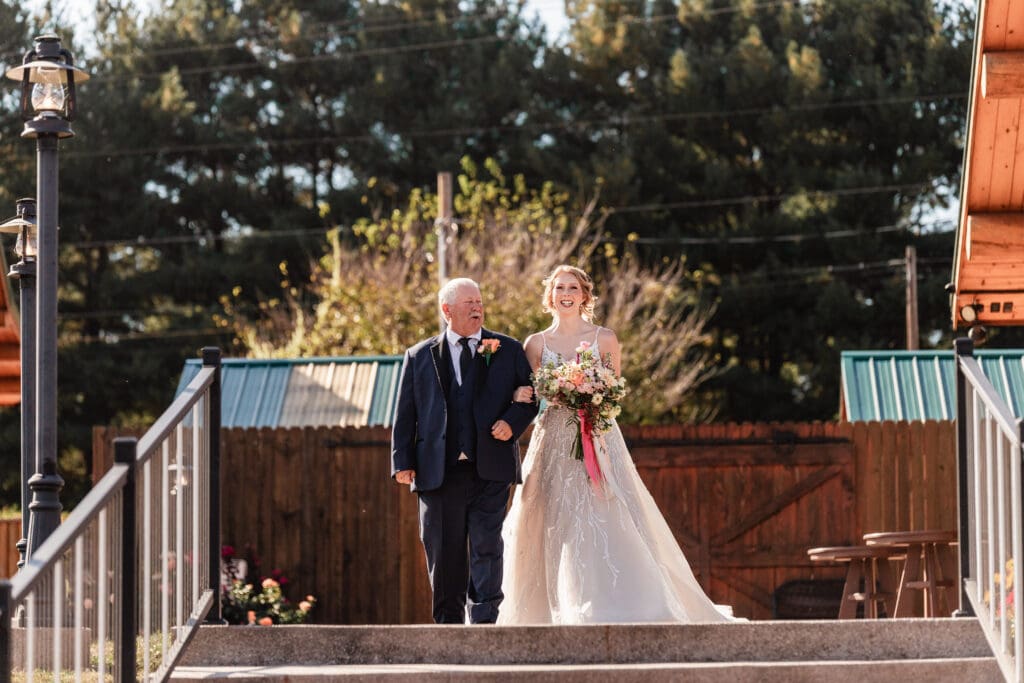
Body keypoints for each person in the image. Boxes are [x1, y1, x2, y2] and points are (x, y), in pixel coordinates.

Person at [497, 265, 735, 624]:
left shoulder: (604, 338)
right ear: (550, 295)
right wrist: (525, 391)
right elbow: (528, 395)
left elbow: (612, 388)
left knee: (607, 508)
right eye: (560, 287)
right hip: (554, 438)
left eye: (573, 287)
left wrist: (587, 393)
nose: (566, 293)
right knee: (549, 514)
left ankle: (623, 598)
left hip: (597, 433)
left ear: (584, 295)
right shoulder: (535, 343)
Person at [391, 277, 538, 624]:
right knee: (444, 553)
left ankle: (485, 623)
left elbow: (529, 396)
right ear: (447, 310)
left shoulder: (508, 348)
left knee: (487, 547)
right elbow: (405, 411)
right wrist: (402, 461)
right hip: (437, 471)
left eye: (479, 302)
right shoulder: (418, 356)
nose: (477, 308)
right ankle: (449, 627)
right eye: (469, 302)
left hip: (490, 467)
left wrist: (511, 421)